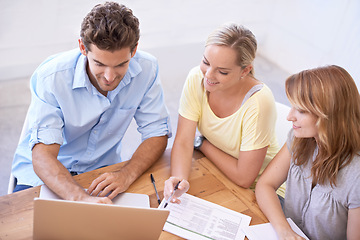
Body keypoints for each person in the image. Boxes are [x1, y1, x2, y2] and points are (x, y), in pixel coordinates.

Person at [11, 2, 171, 204]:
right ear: (82, 48)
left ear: (134, 50)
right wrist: (80, 199)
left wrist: (126, 174)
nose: (109, 77)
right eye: (100, 64)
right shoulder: (52, 77)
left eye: (121, 64)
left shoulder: (147, 68)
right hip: (44, 176)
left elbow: (157, 132)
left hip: (101, 173)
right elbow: (43, 156)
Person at [164, 23, 283, 204]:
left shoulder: (259, 102)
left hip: (263, 191)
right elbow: (183, 140)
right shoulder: (197, 78)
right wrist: (179, 180)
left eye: (222, 71)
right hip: (220, 171)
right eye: (206, 62)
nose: (209, 75)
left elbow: (244, 178)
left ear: (245, 70)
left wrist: (203, 144)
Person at [255, 65, 360, 240]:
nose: (290, 116)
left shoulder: (356, 175)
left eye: (301, 111)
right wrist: (285, 231)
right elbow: (265, 185)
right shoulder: (300, 139)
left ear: (329, 116)